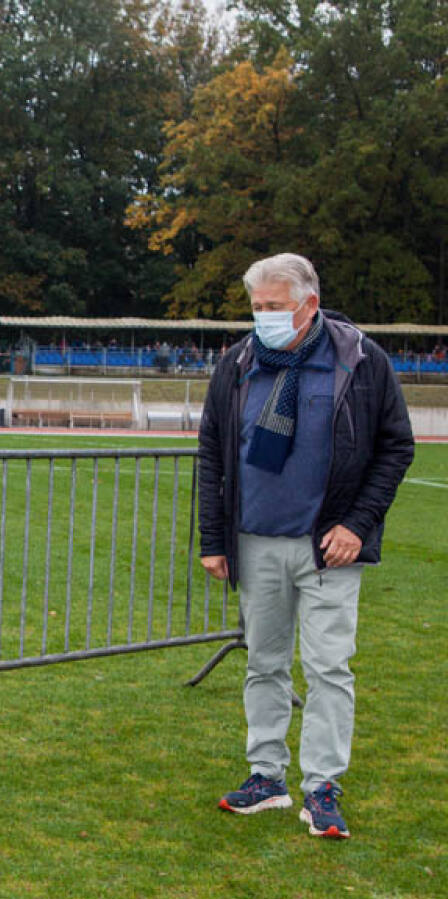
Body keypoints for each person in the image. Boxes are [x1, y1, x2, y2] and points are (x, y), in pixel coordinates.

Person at [199, 253, 414, 839]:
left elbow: (396, 447)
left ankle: (322, 787)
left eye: (275, 306)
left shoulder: (361, 360)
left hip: (331, 547)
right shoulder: (237, 363)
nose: (263, 317)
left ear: (309, 304)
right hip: (256, 541)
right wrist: (214, 537)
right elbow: (212, 449)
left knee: (328, 669)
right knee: (264, 663)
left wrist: (357, 525)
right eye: (257, 307)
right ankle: (266, 776)